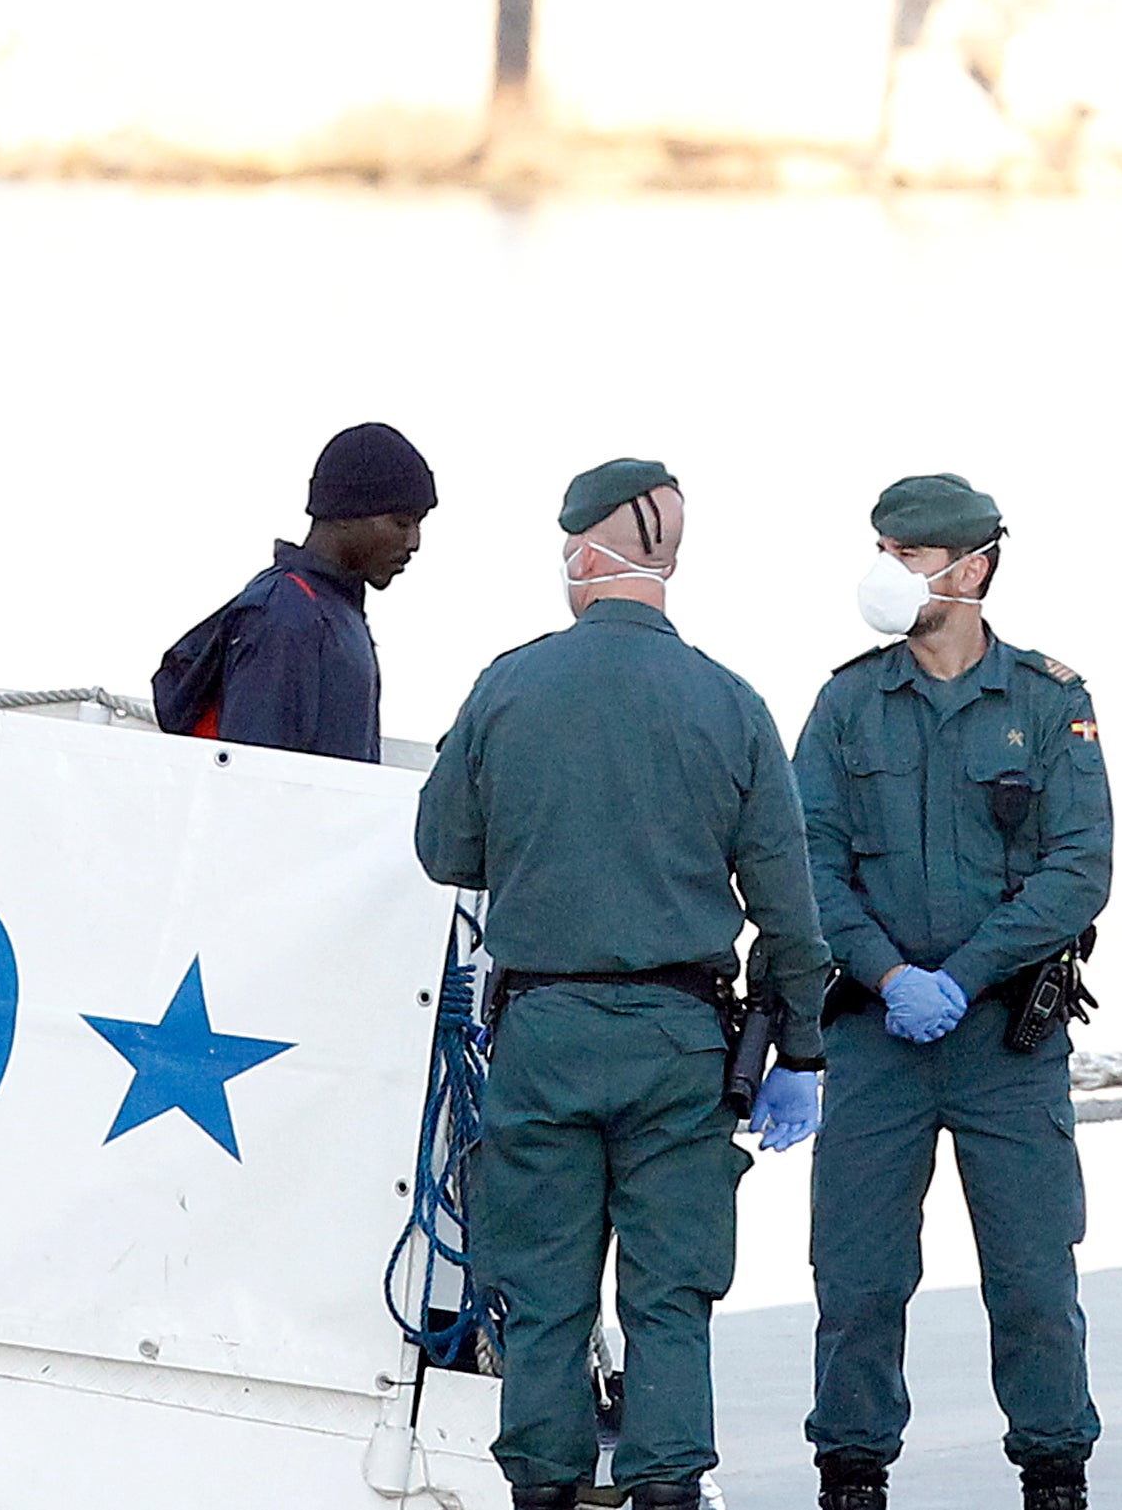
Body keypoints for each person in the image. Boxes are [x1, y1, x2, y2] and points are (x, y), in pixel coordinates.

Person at [414, 459, 829, 1510]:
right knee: (669, 1298)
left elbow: (440, 847)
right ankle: (665, 1492)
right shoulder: (729, 701)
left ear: (580, 552)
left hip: (542, 1034)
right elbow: (789, 907)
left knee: (543, 1295)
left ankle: (543, 1493)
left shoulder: (509, 684)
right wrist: (805, 1051)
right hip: (681, 1042)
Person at [794, 475, 1111, 1510]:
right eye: (879, 549)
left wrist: (962, 974)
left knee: (1031, 1279)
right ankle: (850, 1472)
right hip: (879, 1041)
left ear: (970, 568)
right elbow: (807, 860)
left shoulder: (1048, 699)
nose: (885, 572)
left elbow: (1078, 868)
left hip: (1004, 1045)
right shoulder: (847, 702)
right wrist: (887, 973)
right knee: (856, 1282)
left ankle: (1054, 1470)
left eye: (908, 554)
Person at [149, 422, 433, 762]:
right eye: (402, 522)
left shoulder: (331, 611)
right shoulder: (285, 617)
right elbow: (257, 784)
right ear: (345, 514)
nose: (413, 542)